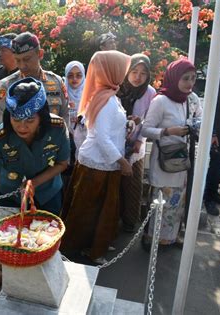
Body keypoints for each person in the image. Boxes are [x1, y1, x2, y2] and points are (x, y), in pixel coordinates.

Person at [0, 77, 70, 263]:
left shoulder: (57, 128)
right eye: (15, 119)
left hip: (48, 194)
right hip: (12, 198)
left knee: (46, 248)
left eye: (30, 120)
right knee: (14, 249)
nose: (22, 126)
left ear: (41, 116)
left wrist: (34, 182)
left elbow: (62, 164)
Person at [60, 51, 132, 265]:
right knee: (89, 209)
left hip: (105, 163)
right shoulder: (107, 100)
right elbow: (100, 136)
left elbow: (109, 131)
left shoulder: (110, 96)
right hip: (98, 164)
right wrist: (122, 161)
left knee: (103, 208)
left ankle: (96, 243)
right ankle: (82, 248)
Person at [141, 58, 202, 249]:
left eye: (193, 78)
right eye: (185, 78)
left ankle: (171, 237)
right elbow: (145, 129)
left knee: (177, 203)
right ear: (174, 78)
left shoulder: (192, 99)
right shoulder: (160, 101)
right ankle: (152, 238)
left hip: (183, 162)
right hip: (164, 162)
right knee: (161, 203)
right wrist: (168, 131)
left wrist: (196, 126)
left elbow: (200, 118)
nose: (190, 83)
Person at [116, 54, 156, 232]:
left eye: (143, 73)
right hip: (116, 144)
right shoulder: (117, 87)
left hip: (136, 146)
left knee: (133, 184)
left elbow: (150, 120)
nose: (138, 77)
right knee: (114, 184)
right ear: (127, 71)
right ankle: (113, 219)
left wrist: (140, 140)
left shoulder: (150, 93)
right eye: (134, 71)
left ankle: (130, 221)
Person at [0, 32, 69, 129]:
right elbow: (6, 126)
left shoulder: (57, 82)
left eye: (27, 59)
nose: (22, 66)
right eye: (18, 60)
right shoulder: (6, 85)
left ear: (40, 54)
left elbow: (65, 121)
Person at [204, 74, 220, 216]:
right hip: (219, 133)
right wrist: (213, 132)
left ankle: (214, 193)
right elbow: (211, 108)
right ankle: (208, 198)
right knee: (216, 164)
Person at [64, 60, 86, 160]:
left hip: (84, 137)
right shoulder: (62, 92)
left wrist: (81, 120)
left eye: (78, 75)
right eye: (70, 75)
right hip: (65, 136)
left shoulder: (88, 93)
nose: (74, 79)